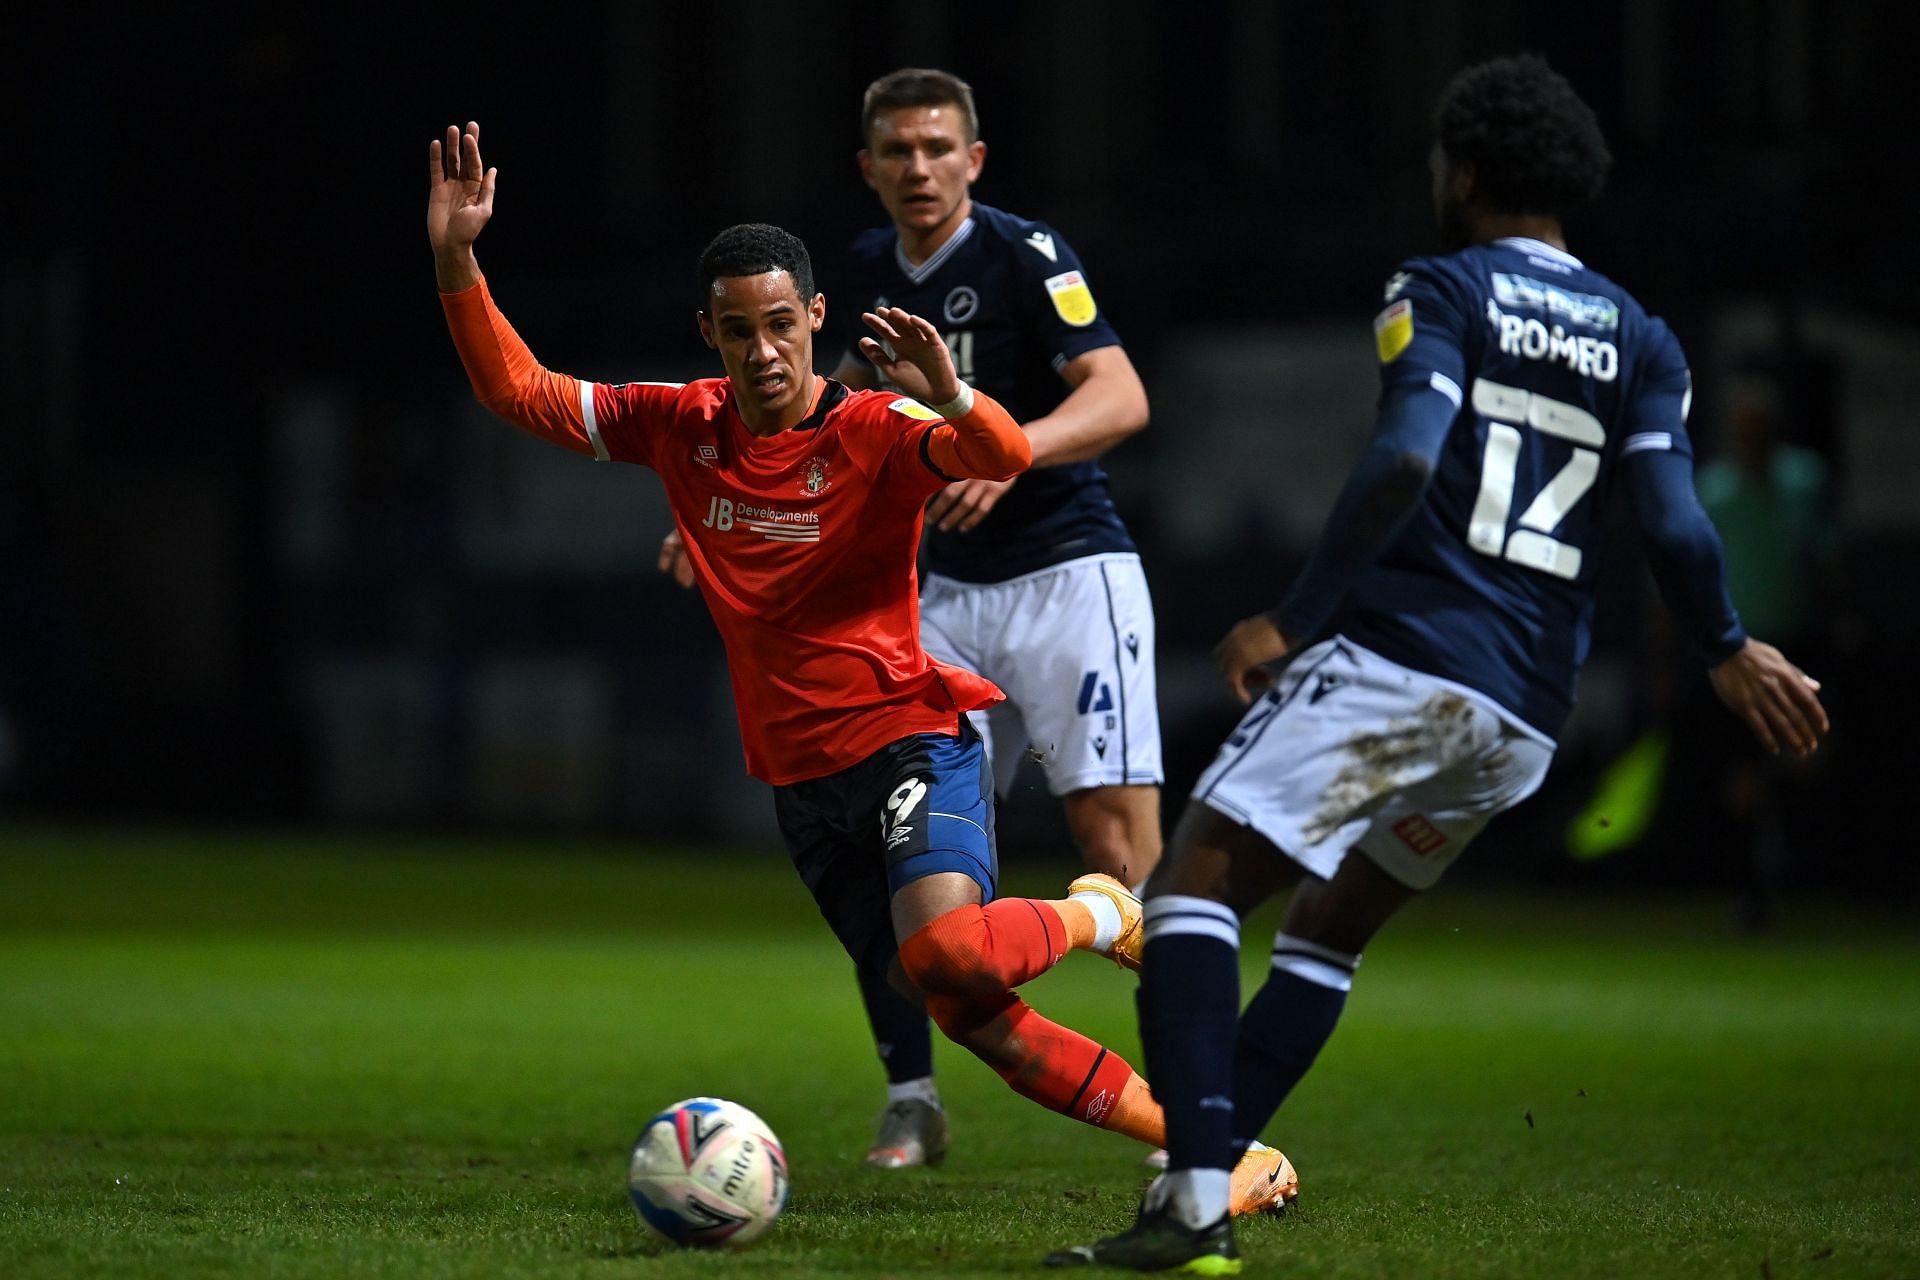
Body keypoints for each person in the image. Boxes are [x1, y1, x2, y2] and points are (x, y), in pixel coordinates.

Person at [1045, 55, 1829, 1272]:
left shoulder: (1443, 284)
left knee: (1189, 887)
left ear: (1464, 171)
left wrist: (1295, 615)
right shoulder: (1645, 335)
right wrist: (1726, 647)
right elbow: (1673, 524)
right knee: (1326, 930)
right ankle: (1202, 1172)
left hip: (1404, 662)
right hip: (1522, 714)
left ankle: (1197, 1204)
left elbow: (1410, 458)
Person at [425, 121, 1293, 1216]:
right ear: (710, 333)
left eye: (781, 323)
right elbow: (522, 392)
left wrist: (957, 394)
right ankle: (1209, 1148)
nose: (763, 349)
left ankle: (1098, 912)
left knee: (951, 952)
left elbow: (1003, 458)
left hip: (908, 739)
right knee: (967, 1011)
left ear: (814, 317)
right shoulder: (679, 426)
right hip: (802, 784)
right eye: (737, 330)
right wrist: (459, 258)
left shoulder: (878, 427)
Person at [659, 68, 1164, 1172]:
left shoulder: (1027, 257)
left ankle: (1188, 1104)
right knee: (882, 839)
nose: (920, 168)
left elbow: (1122, 398)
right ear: (870, 168)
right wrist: (718, 512)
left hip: (1065, 568)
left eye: (940, 148)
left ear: (974, 160)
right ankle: (915, 1097)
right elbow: (806, 411)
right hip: (932, 594)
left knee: (1120, 849)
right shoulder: (865, 275)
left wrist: (1002, 441)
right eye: (898, 151)